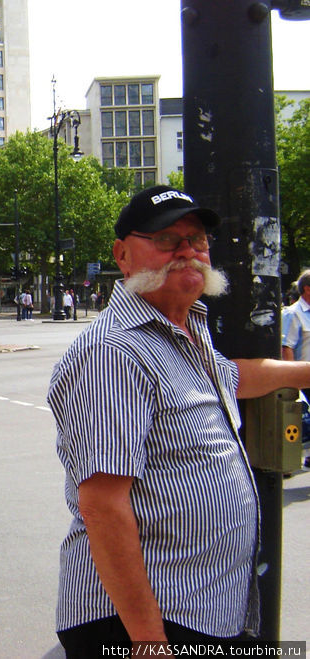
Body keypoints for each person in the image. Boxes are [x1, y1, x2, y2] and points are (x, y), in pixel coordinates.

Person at [47, 185, 310, 653]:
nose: (187, 251)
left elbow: (234, 377)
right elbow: (103, 506)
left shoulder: (185, 331)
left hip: (200, 610)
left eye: (198, 240)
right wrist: (149, 641)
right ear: (122, 255)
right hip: (146, 623)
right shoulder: (114, 352)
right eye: (167, 239)